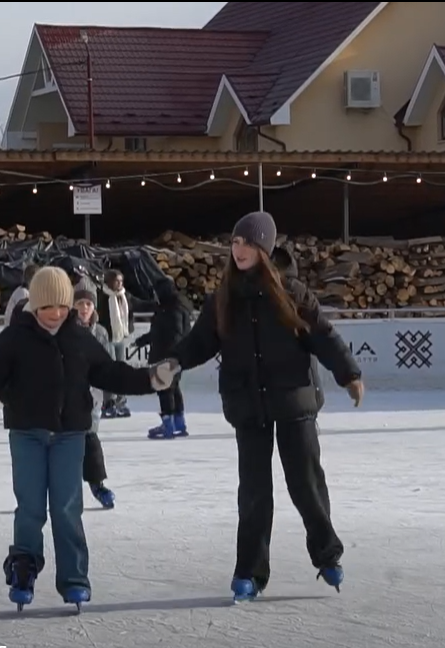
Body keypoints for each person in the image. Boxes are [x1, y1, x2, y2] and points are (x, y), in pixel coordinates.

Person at [165, 210, 364, 602]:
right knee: (254, 492)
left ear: (265, 248)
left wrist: (349, 373)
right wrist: (174, 361)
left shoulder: (293, 293)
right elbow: (200, 342)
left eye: (248, 243)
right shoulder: (223, 297)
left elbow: (323, 336)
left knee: (305, 484)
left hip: (293, 400)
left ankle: (327, 555)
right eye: (235, 243)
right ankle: (250, 572)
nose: (238, 250)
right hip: (247, 403)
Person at [0, 267, 175, 611]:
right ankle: (24, 569)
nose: (55, 314)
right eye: (47, 308)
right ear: (35, 306)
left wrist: (150, 379)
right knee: (30, 508)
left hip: (71, 435)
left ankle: (74, 579)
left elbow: (109, 372)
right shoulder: (15, 337)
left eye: (62, 307)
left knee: (67, 509)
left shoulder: (78, 337)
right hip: (27, 433)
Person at [134, 276, 194, 439]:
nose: (155, 296)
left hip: (166, 356)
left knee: (165, 390)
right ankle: (179, 423)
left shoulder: (169, 309)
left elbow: (171, 333)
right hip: (177, 355)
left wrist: (168, 355)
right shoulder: (178, 306)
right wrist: (143, 340)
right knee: (174, 388)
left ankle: (168, 425)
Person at [73, 288, 116, 508]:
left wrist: (111, 394)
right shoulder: (65, 330)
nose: (84, 308)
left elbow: (108, 362)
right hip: (69, 394)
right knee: (68, 442)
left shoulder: (100, 332)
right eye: (80, 303)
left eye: (88, 304)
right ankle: (64, 489)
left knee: (91, 440)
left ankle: (97, 485)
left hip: (93, 394)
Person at [97, 268, 153, 419]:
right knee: (109, 371)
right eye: (117, 280)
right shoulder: (101, 296)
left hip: (120, 338)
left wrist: (160, 304)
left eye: (121, 280)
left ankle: (120, 402)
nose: (120, 283)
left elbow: (141, 304)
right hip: (106, 339)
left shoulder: (125, 295)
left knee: (121, 370)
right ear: (108, 281)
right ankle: (109, 403)